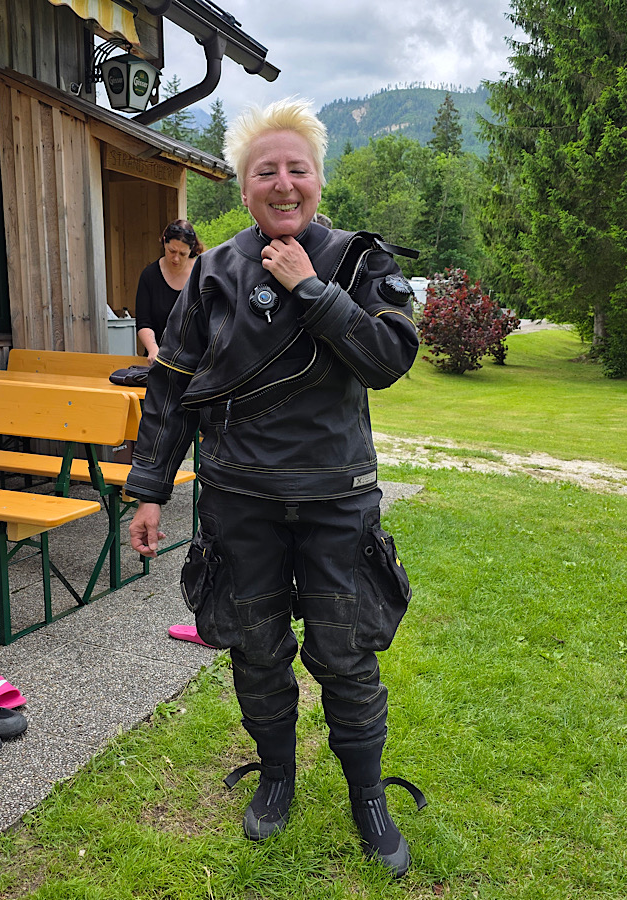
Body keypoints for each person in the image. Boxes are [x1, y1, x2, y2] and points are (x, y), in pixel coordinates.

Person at [124, 98, 425, 876]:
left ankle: (368, 797)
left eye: (298, 168)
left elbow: (388, 359)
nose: (283, 183)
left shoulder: (358, 261)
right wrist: (150, 489)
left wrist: (312, 289)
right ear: (243, 185)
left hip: (336, 497)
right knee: (256, 650)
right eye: (266, 171)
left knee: (346, 654)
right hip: (240, 501)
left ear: (319, 178)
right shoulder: (214, 271)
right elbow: (172, 385)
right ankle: (278, 777)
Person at [135, 219, 203, 363]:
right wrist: (153, 349)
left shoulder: (202, 273)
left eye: (183, 254)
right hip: (159, 359)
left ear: (191, 250)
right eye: (172, 251)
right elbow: (144, 322)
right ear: (164, 242)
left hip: (196, 361)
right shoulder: (149, 276)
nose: (176, 259)